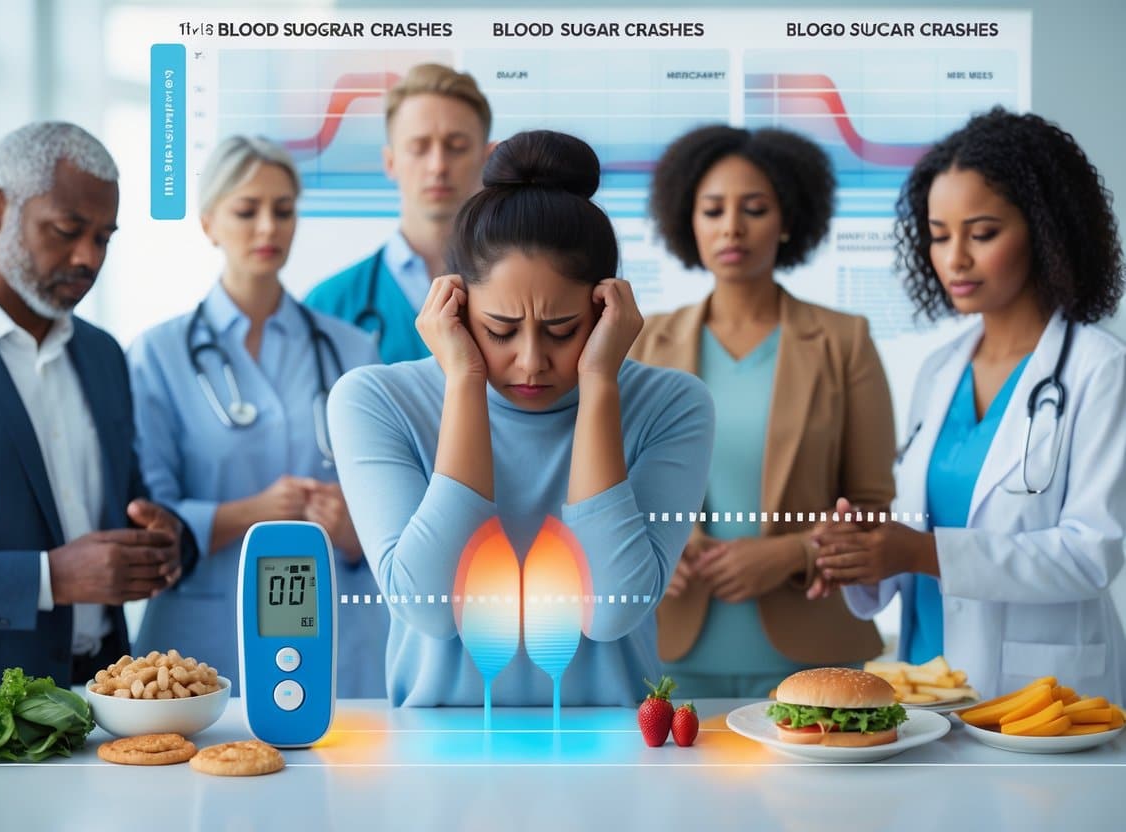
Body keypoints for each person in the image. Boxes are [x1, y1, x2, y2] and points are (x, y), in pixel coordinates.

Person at [327, 130, 714, 707]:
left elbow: (611, 612)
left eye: (563, 330)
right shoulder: (374, 401)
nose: (531, 361)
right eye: (501, 331)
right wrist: (464, 380)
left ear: (605, 309)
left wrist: (600, 383)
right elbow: (430, 609)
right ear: (456, 306)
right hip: (434, 743)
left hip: (612, 744)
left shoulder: (671, 406)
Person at [811, 108, 1126, 701]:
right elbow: (918, 530)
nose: (954, 258)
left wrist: (923, 552)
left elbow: (1092, 554)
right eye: (939, 235)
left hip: (1038, 691)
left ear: (1045, 230)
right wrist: (861, 551)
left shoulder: (1099, 370)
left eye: (981, 234)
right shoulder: (939, 371)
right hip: (925, 680)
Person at [0, 122, 195, 695]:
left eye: (104, 238)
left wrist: (166, 542)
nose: (88, 257)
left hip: (105, 698)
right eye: (67, 230)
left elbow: (123, 504)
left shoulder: (103, 354)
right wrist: (48, 579)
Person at [629, 125, 895, 698]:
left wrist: (795, 553)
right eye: (712, 210)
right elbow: (604, 487)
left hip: (814, 656)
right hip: (665, 647)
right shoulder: (643, 342)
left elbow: (872, 506)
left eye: (754, 209)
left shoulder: (844, 341)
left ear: (788, 220)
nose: (732, 227)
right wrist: (656, 546)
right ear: (687, 222)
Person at [128, 136, 384, 697]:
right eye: (247, 211)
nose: (268, 227)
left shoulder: (351, 349)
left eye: (283, 210)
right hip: (203, 632)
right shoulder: (158, 355)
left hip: (335, 629)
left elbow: (386, 503)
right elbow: (151, 512)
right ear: (209, 224)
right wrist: (253, 513)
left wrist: (352, 531)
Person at [304, 63, 493, 363]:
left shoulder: (525, 295)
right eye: (419, 147)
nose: (438, 166)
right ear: (390, 162)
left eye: (456, 146)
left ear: (487, 158)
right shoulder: (328, 306)